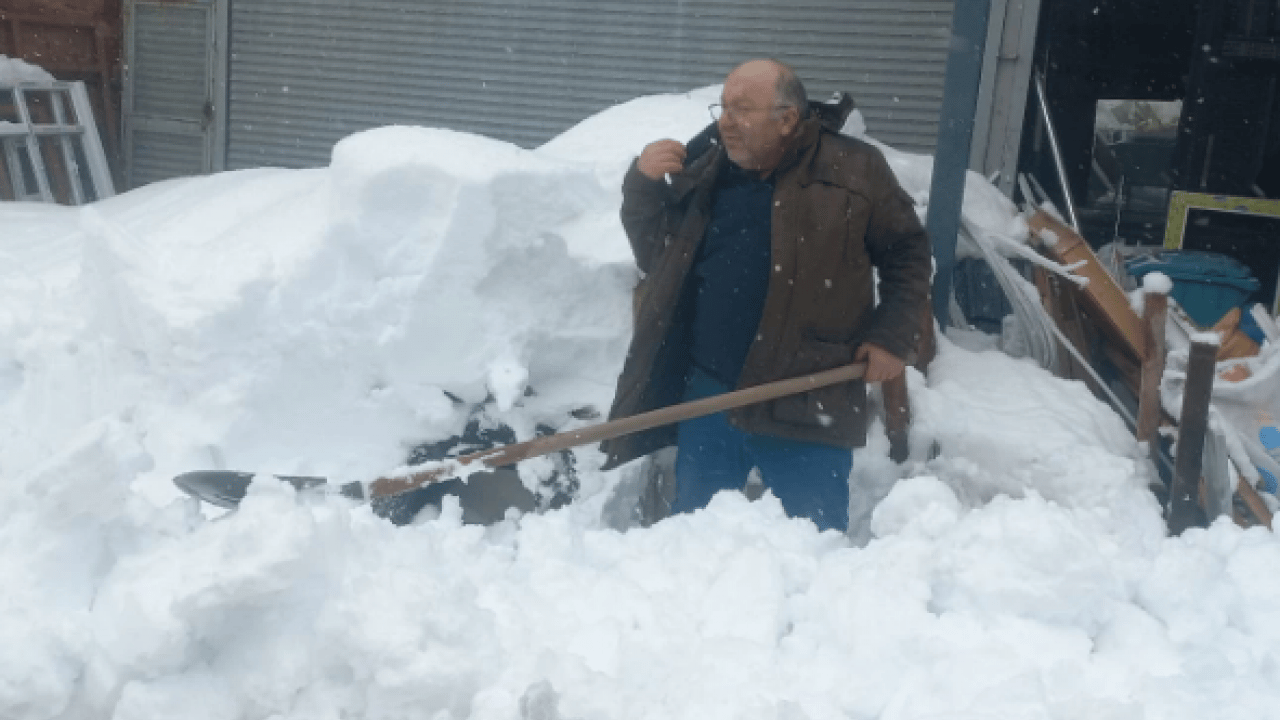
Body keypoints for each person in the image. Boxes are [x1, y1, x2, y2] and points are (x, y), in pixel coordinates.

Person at [600, 59, 932, 532]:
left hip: (809, 396)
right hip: (711, 394)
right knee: (690, 542)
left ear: (787, 119)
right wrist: (643, 188)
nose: (725, 122)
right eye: (723, 107)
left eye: (741, 109)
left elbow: (908, 254)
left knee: (813, 544)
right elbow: (662, 258)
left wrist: (892, 336)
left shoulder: (855, 170)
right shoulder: (706, 163)